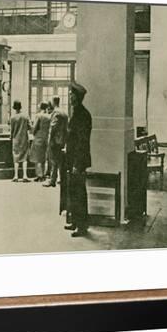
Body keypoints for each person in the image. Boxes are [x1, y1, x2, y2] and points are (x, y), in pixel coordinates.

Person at [64, 81, 92, 237]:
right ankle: (75, 221)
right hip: (73, 159)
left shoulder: (82, 114)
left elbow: (82, 142)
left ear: (77, 97)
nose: (69, 97)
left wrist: (77, 164)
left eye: (71, 94)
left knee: (79, 193)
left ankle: (82, 226)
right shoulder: (77, 112)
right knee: (73, 192)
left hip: (78, 161)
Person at [43, 96, 68, 188]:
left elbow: (53, 127)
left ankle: (52, 180)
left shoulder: (56, 112)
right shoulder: (64, 112)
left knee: (53, 161)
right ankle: (62, 179)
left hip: (55, 141)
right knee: (61, 161)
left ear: (53, 102)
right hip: (62, 140)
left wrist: (49, 140)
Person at [10, 100, 31, 182]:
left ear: (14, 108)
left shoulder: (12, 117)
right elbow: (30, 127)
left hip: (15, 139)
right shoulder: (26, 116)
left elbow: (11, 130)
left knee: (16, 157)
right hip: (24, 139)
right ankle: (25, 176)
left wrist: (11, 136)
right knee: (24, 157)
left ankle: (16, 176)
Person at [30, 102, 51, 182]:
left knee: (37, 158)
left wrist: (33, 132)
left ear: (40, 107)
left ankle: (39, 175)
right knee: (43, 158)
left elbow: (34, 127)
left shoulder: (38, 115)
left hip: (38, 137)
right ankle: (44, 174)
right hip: (46, 138)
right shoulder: (49, 116)